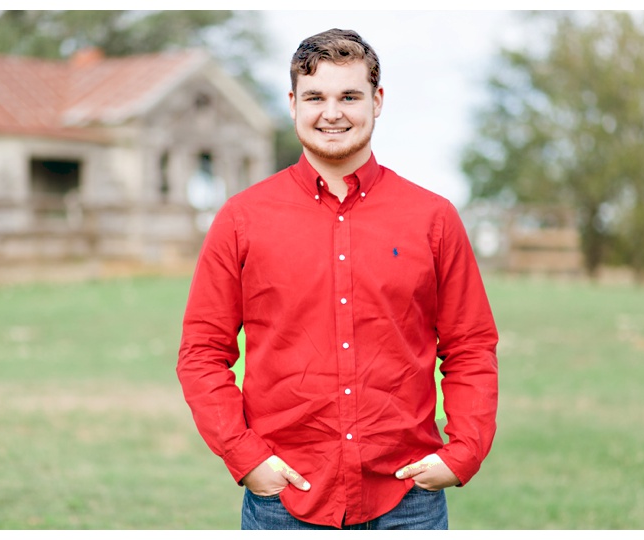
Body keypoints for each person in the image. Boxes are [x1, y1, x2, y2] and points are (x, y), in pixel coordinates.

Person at [176, 28, 498, 530]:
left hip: (407, 500)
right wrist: (245, 456)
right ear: (292, 104)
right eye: (315, 97)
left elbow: (471, 346)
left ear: (378, 100)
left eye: (349, 96)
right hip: (284, 499)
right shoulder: (241, 220)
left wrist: (464, 452)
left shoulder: (433, 219)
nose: (332, 113)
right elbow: (201, 351)